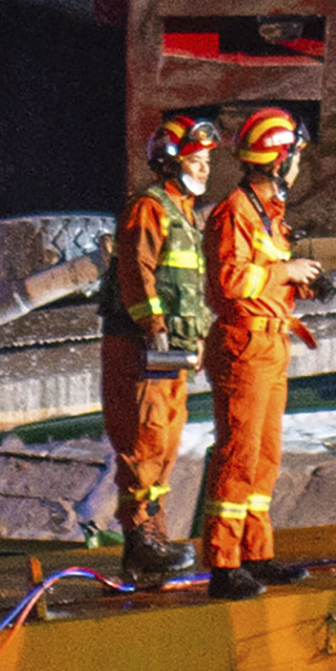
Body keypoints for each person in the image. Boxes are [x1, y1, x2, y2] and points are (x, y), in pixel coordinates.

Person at [195, 107, 304, 599]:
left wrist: (303, 282)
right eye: (296, 155)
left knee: (266, 456)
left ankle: (256, 554)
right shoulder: (234, 212)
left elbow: (264, 273)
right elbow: (230, 282)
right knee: (238, 455)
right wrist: (289, 272)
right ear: (280, 159)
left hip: (271, 341)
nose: (299, 164)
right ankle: (222, 563)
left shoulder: (267, 212)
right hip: (245, 343)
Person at [100, 117, 214, 586]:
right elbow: (137, 271)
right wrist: (154, 325)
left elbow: (188, 285)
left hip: (170, 353)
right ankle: (141, 539)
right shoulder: (150, 209)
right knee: (143, 442)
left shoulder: (184, 214)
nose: (205, 169)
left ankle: (154, 538)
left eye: (207, 160)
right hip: (141, 346)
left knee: (164, 445)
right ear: (171, 160)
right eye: (196, 159)